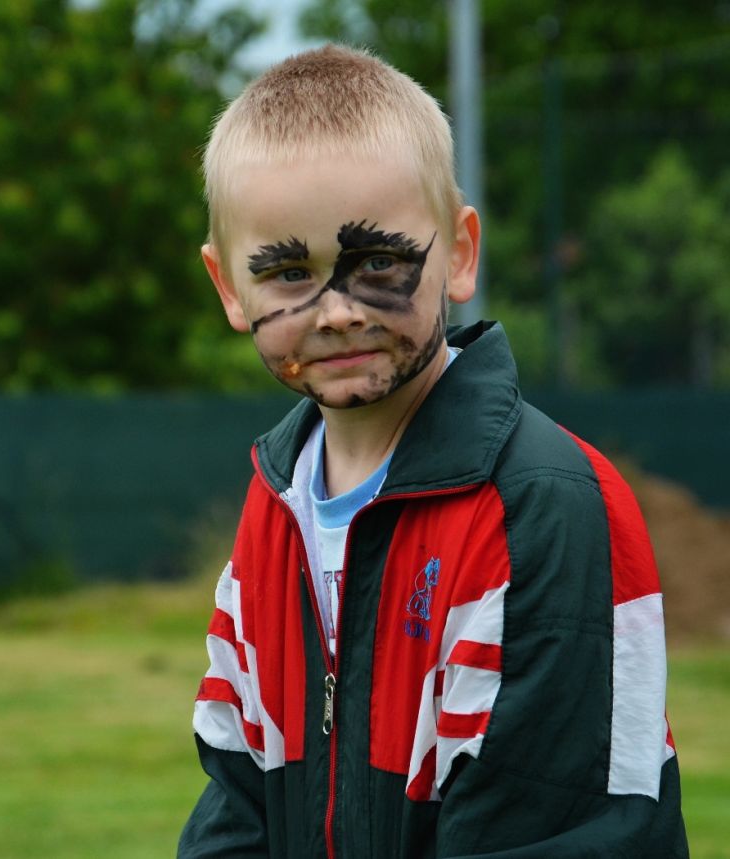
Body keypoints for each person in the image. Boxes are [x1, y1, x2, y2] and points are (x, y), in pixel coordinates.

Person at [177, 44, 688, 858]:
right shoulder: (275, 501)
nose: (338, 312)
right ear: (230, 290)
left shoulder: (541, 508)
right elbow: (238, 793)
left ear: (459, 252)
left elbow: (548, 829)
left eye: (379, 260)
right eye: (289, 272)